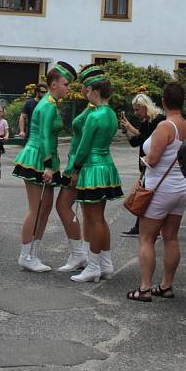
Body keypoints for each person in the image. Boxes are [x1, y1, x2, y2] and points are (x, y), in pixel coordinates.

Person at [127, 82, 186, 301]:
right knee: (171, 237)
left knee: (146, 238)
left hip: (160, 189)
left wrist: (144, 161)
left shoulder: (165, 126)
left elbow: (153, 160)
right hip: (182, 187)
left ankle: (144, 288)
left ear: (163, 101)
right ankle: (166, 285)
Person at [12, 62, 77, 272]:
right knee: (37, 208)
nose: (68, 88)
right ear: (54, 84)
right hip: (38, 158)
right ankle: (26, 255)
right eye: (66, 84)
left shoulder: (50, 103)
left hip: (44, 158)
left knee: (44, 208)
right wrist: (48, 166)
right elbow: (44, 138)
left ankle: (32, 254)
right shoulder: (48, 105)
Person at [69, 71, 123, 283]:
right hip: (106, 165)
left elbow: (83, 146)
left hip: (92, 168)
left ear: (97, 91)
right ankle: (105, 264)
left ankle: (93, 267)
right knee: (99, 219)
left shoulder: (94, 115)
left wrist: (75, 168)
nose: (87, 93)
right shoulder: (110, 114)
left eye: (89, 90)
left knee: (93, 220)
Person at [55, 65, 102, 272]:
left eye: (84, 85)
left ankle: (80, 255)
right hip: (78, 162)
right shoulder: (92, 108)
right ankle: (88, 256)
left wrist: (75, 168)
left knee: (64, 205)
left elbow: (86, 143)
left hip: (79, 164)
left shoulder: (93, 110)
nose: (81, 89)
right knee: (87, 213)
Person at [119, 93, 164, 236]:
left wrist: (131, 128)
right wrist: (126, 131)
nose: (135, 113)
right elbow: (135, 142)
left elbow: (148, 141)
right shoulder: (146, 121)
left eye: (137, 109)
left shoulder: (158, 120)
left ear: (145, 107)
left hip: (155, 165)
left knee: (147, 196)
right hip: (146, 166)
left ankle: (147, 228)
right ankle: (140, 227)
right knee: (145, 196)